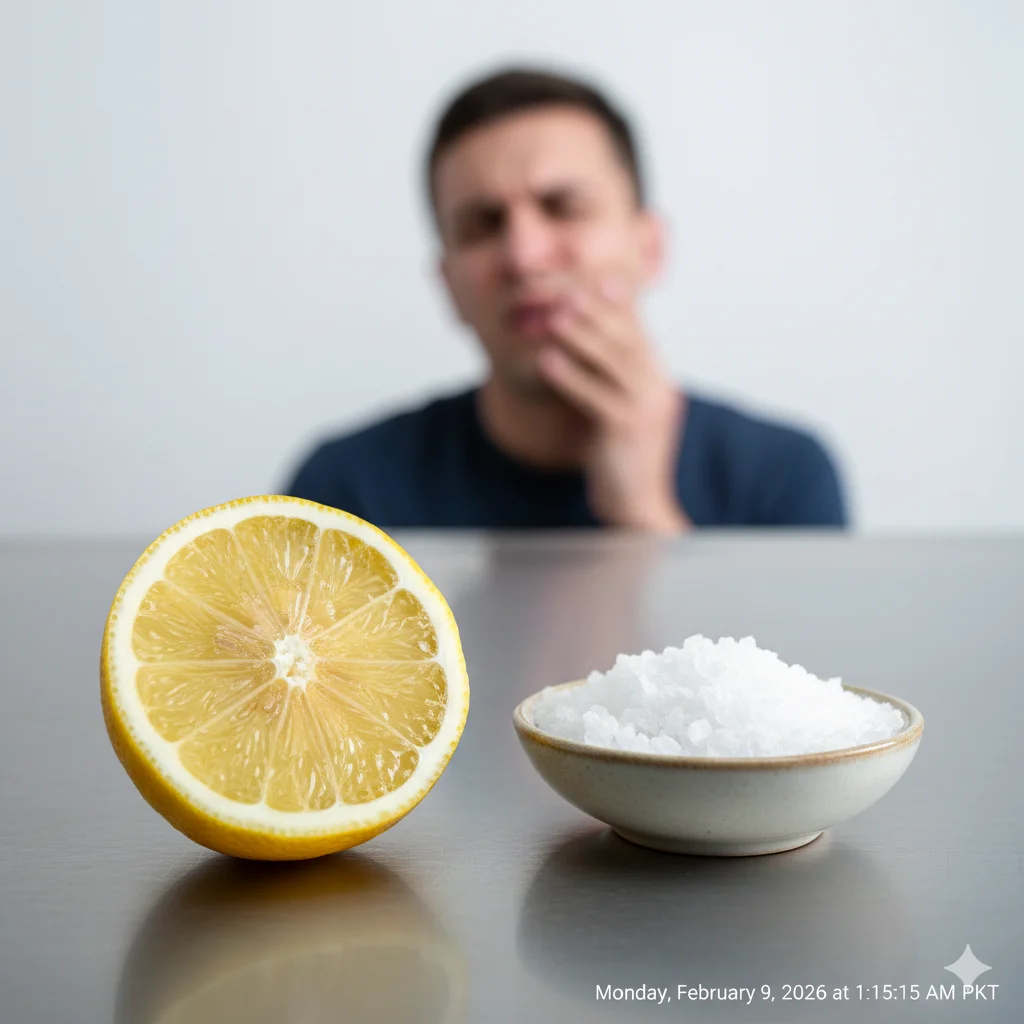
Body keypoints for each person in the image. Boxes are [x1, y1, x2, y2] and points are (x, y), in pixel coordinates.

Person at [286, 67, 847, 531]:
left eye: (564, 207)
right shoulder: (343, 496)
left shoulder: (782, 477)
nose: (524, 256)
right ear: (449, 285)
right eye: (482, 225)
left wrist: (643, 513)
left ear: (649, 247)